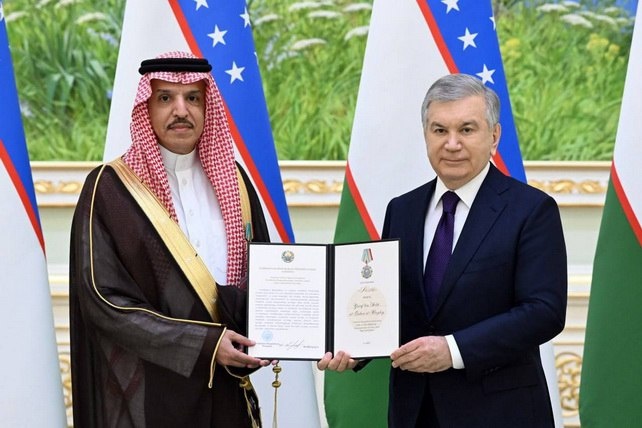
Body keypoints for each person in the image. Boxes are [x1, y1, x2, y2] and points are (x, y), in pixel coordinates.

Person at [318, 73, 567, 427]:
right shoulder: (402, 210)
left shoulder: (531, 210)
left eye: (466, 129)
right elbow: (392, 304)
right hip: (414, 412)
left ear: (494, 136)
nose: (452, 144)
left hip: (499, 413)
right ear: (426, 135)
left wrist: (452, 350)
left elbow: (544, 312)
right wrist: (356, 346)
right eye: (439, 130)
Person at [69, 51, 272, 428]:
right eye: (165, 98)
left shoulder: (237, 184)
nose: (181, 110)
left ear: (207, 106)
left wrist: (276, 331)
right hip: (153, 399)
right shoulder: (110, 189)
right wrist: (205, 345)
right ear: (146, 107)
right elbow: (103, 300)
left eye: (193, 97)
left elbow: (266, 277)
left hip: (228, 394)